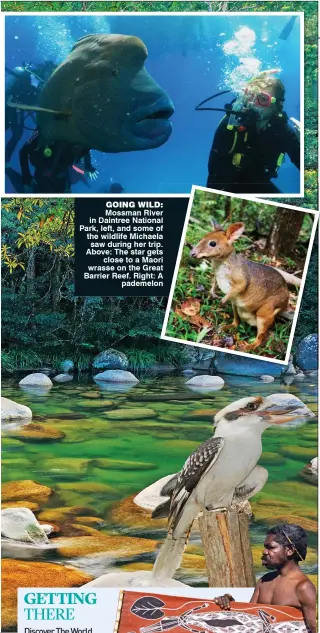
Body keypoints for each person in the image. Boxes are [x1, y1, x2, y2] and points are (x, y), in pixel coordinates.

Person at [206, 72, 300, 194]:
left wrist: (309, 151)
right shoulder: (232, 123)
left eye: (262, 99)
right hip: (225, 186)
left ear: (277, 105)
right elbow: (214, 173)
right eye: (251, 96)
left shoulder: (282, 129)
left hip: (259, 184)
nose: (253, 103)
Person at [214, 523, 316, 633]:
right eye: (265, 547)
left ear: (290, 550)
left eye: (270, 547)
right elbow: (249, 617)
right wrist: (230, 603)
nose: (264, 551)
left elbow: (314, 628)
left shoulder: (303, 587)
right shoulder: (264, 581)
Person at [19, 130, 97, 193]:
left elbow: (85, 147)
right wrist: (26, 178)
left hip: (59, 179)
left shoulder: (73, 132)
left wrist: (88, 166)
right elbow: (23, 151)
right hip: (44, 179)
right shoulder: (43, 130)